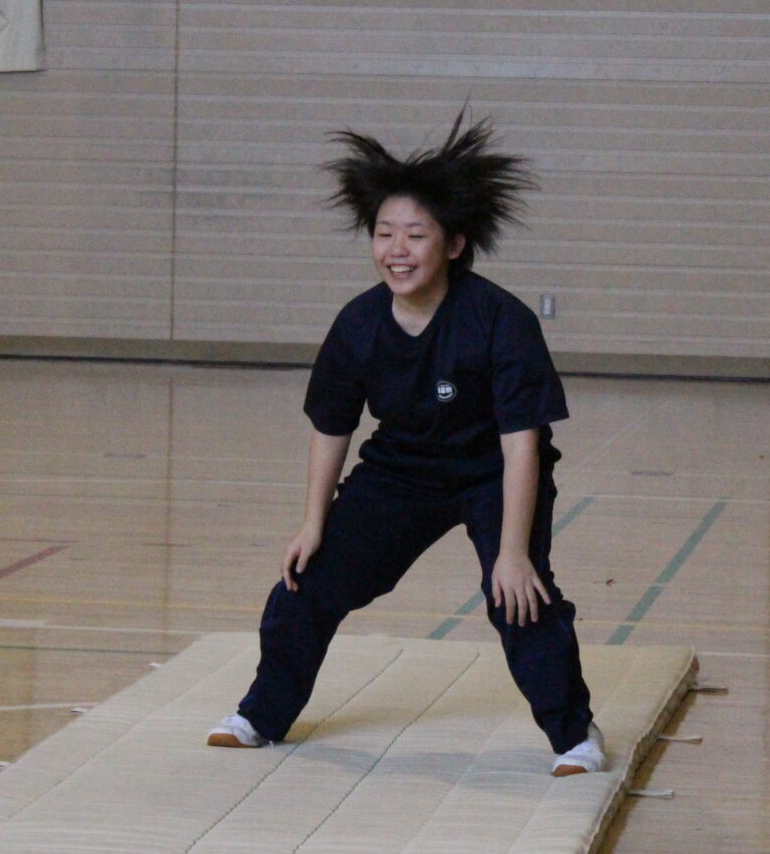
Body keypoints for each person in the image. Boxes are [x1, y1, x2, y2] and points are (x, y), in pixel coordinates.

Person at [208, 110, 602, 776]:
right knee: (306, 584)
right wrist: (313, 522)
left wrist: (512, 552)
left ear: (452, 244)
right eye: (384, 233)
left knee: (519, 595)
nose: (397, 248)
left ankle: (574, 737)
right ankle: (260, 714)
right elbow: (333, 426)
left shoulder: (499, 319)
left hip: (491, 474)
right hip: (400, 471)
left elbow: (522, 446)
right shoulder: (358, 324)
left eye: (415, 235)